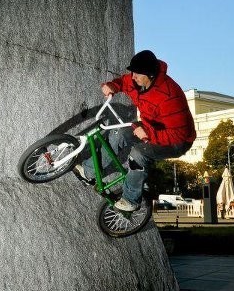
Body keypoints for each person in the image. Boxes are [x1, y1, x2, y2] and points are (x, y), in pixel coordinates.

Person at [83, 50, 196, 212]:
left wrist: (149, 135)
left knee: (138, 154)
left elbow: (179, 134)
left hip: (176, 141)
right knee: (120, 132)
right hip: (149, 127)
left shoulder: (170, 96)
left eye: (137, 73)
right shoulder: (137, 80)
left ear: (150, 75)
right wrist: (112, 86)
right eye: (132, 72)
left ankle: (131, 200)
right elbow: (123, 81)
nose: (133, 76)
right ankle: (90, 171)